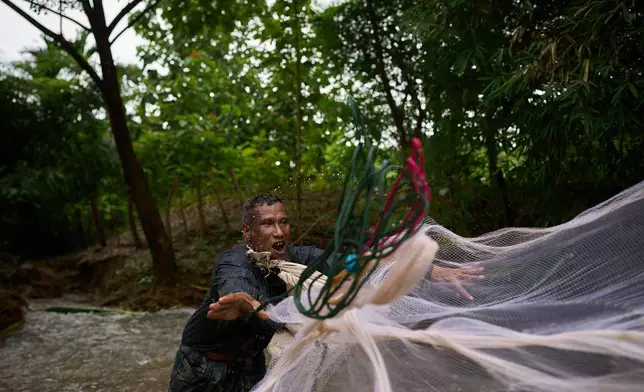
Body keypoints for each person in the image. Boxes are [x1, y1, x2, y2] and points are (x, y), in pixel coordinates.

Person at [168, 193, 484, 392]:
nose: (278, 232)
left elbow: (351, 262)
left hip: (250, 364)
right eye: (267, 224)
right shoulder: (235, 262)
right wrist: (245, 303)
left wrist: (424, 268)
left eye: (283, 222)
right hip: (203, 365)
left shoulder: (300, 260)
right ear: (248, 232)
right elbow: (237, 289)